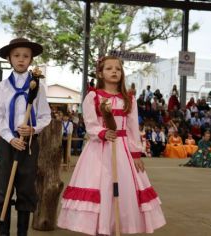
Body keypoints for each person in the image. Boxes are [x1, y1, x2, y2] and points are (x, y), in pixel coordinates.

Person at [57, 56, 165, 235]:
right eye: (109, 68)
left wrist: (136, 154)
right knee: (102, 185)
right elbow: (90, 124)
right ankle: (101, 228)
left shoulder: (128, 98)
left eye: (118, 68)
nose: (114, 71)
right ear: (100, 73)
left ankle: (117, 227)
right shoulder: (93, 96)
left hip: (122, 149)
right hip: (99, 148)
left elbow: (131, 128)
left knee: (123, 188)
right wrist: (101, 132)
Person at [0, 38, 51, 236]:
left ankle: (22, 233)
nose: (21, 60)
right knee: (2, 187)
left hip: (29, 144)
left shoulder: (38, 87)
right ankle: (3, 233)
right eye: (16, 55)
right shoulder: (3, 86)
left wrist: (33, 129)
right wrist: (9, 137)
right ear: (9, 58)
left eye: (25, 56)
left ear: (31, 59)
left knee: (26, 186)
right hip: (8, 143)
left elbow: (45, 115)